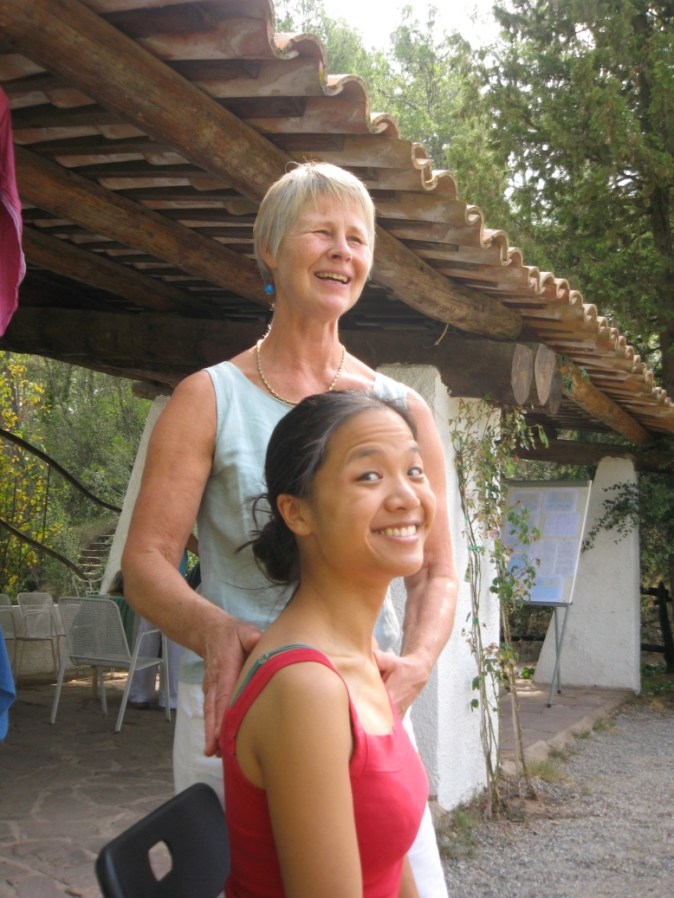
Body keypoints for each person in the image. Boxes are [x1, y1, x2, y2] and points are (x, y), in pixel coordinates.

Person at [122, 161, 458, 896]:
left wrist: (416, 663)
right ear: (270, 250)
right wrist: (214, 630)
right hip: (236, 697)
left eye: (358, 239)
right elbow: (144, 562)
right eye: (321, 233)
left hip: (363, 699)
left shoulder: (398, 410)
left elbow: (437, 568)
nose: (343, 252)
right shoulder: (206, 397)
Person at [222, 390, 433, 897]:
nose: (406, 496)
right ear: (297, 513)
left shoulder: (360, 657)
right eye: (369, 476)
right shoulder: (306, 688)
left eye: (414, 470)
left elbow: (388, 859)